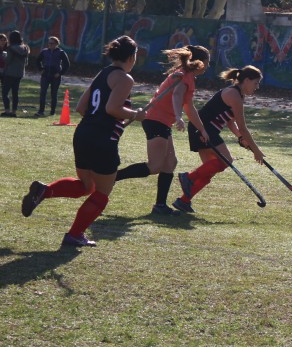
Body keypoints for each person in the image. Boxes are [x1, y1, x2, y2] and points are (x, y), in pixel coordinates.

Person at [21, 36, 146, 247]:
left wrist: (102, 121)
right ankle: (75, 234)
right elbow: (112, 109)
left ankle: (46, 190)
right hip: (102, 139)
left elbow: (80, 107)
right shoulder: (125, 79)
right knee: (101, 193)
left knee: (86, 186)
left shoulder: (102, 73)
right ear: (131, 57)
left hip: (83, 133)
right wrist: (136, 114)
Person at [114, 45, 210, 214]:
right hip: (156, 120)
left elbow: (190, 108)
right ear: (200, 62)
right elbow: (177, 96)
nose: (207, 67)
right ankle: (113, 177)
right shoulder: (184, 76)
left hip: (162, 122)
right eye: (207, 63)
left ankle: (160, 206)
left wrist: (202, 129)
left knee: (170, 163)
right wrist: (178, 116)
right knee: (155, 166)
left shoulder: (187, 76)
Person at [173, 65, 265, 213]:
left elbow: (230, 121)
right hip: (203, 129)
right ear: (247, 80)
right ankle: (188, 177)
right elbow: (242, 127)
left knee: (208, 171)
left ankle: (183, 201)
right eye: (256, 83)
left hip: (204, 129)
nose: (257, 87)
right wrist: (256, 151)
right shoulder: (234, 95)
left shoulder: (238, 95)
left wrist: (240, 138)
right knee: (226, 160)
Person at [35, 36, 72, 117]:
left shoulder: (61, 52)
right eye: (49, 43)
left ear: (56, 44)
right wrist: (41, 69)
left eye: (52, 43)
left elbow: (67, 64)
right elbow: (38, 60)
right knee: (43, 93)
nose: (50, 45)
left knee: (54, 94)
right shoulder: (44, 52)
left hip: (55, 76)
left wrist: (60, 73)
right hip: (45, 75)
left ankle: (52, 112)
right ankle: (41, 111)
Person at [1, 30, 31, 117]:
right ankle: (14, 112)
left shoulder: (11, 48)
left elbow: (8, 61)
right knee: (15, 93)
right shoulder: (25, 48)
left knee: (5, 92)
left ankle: (7, 111)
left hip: (10, 73)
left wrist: (4, 56)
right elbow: (26, 63)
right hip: (19, 73)